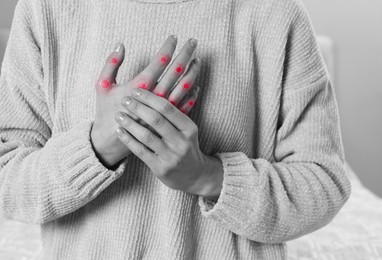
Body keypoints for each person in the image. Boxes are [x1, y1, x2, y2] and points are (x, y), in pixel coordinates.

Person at [0, 0, 351, 259]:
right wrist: (97, 146)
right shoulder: (46, 9)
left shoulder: (275, 14)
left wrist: (208, 177)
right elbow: (7, 180)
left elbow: (324, 184)